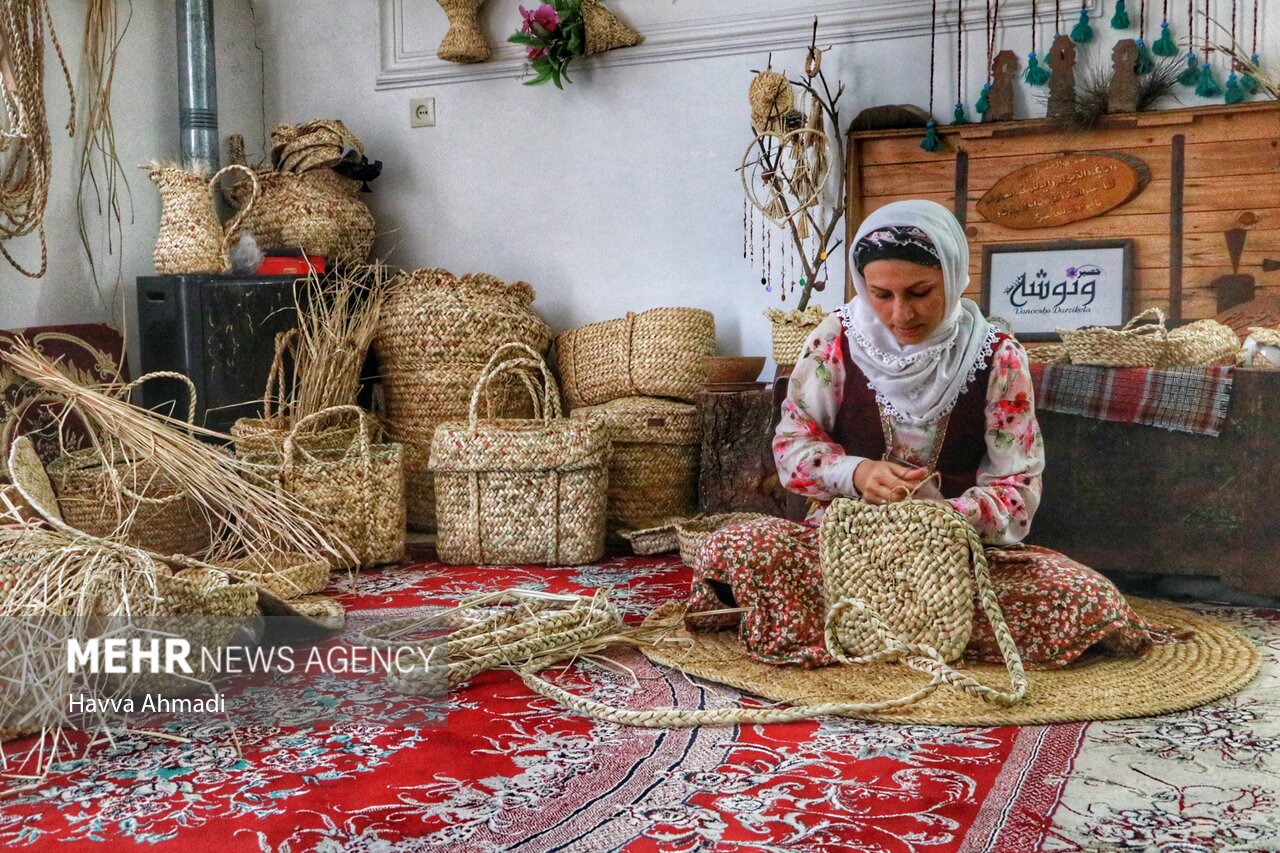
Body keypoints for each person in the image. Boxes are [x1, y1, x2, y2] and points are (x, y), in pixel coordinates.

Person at [684, 199, 1185, 669]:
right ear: (862, 286)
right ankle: (916, 632)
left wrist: (942, 518)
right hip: (837, 552)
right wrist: (854, 473)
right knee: (739, 547)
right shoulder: (834, 340)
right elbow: (793, 448)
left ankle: (862, 628)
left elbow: (1019, 488)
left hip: (957, 564)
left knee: (1080, 596)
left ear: (953, 276)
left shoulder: (999, 356)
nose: (901, 314)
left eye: (920, 292)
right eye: (881, 295)